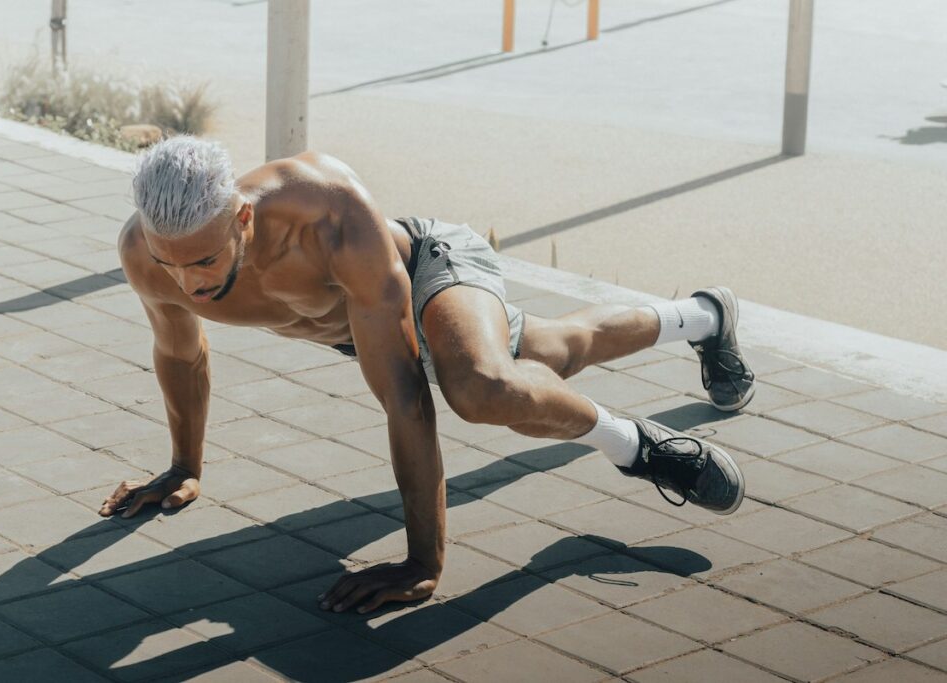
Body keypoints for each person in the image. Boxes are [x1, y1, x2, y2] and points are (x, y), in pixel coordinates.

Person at [102, 137, 754, 615]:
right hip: (351, 325)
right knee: (557, 352)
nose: (190, 283)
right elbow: (181, 351)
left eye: (206, 259)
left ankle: (637, 447)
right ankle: (704, 315)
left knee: (480, 386)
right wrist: (185, 465)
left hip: (422, 272)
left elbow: (407, 398)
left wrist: (423, 562)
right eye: (170, 261)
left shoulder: (324, 211)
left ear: (242, 217)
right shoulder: (146, 253)